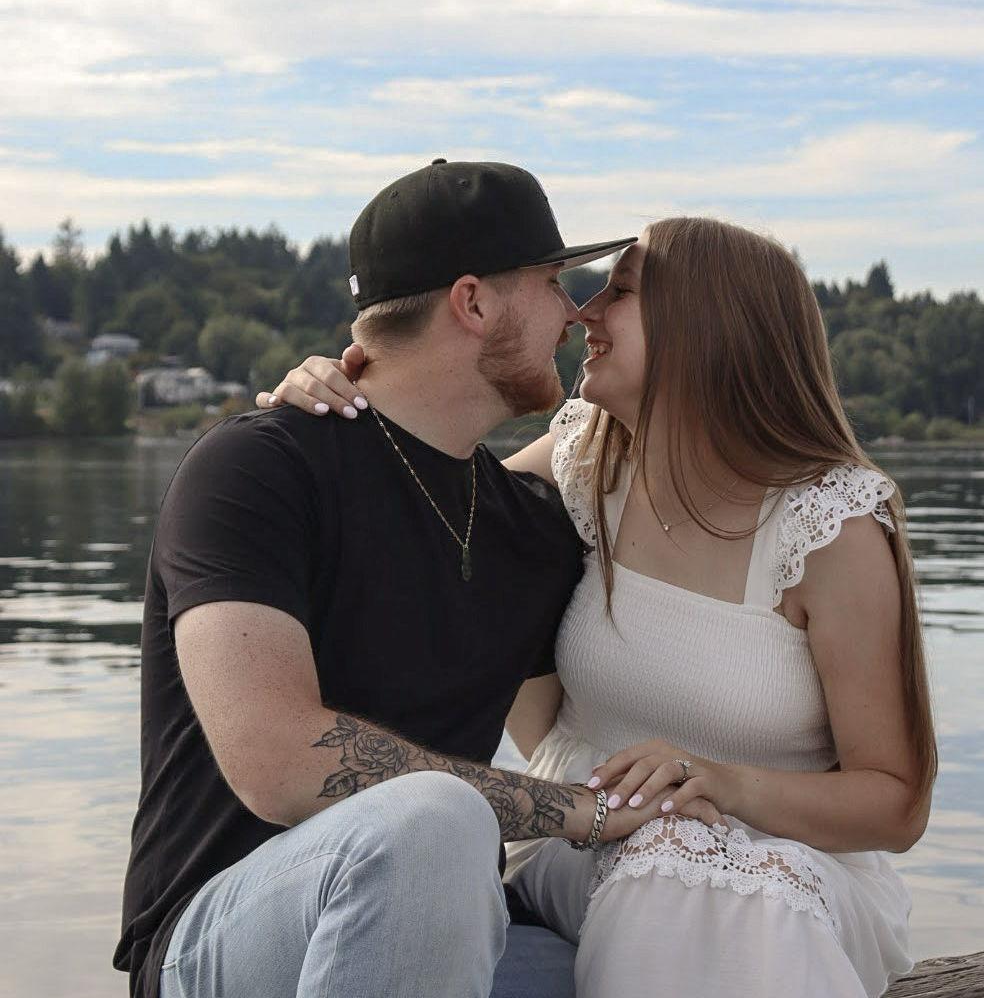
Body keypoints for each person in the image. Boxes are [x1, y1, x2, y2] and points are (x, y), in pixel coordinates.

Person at [263, 216, 937, 997]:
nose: (584, 312)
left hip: (792, 865)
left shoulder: (832, 526)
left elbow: (895, 803)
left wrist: (719, 784)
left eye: (621, 292)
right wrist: (341, 400)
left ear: (705, 325)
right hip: (580, 839)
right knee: (672, 869)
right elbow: (413, 510)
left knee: (723, 891)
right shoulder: (583, 458)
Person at [114, 160, 725, 998]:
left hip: (432, 920)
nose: (574, 312)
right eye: (553, 282)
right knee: (436, 820)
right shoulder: (258, 469)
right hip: (218, 939)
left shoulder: (531, 530)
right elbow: (279, 761)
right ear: (473, 303)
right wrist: (581, 813)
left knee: (637, 964)